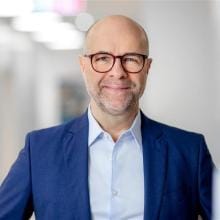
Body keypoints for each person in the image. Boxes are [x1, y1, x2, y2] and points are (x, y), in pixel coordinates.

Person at [0, 15, 214, 220]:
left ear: (147, 68)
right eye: (103, 58)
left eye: (130, 59)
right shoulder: (39, 150)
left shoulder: (189, 151)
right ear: (83, 66)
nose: (117, 72)